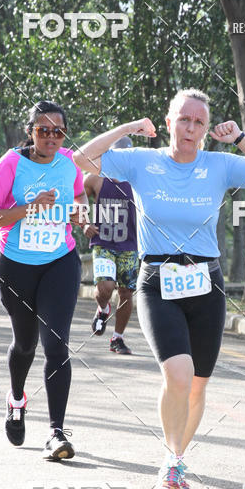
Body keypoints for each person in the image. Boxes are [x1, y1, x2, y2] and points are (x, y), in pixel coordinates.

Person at [73, 89, 245, 489]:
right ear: (168, 122)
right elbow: (80, 159)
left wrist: (240, 138)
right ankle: (171, 463)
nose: (190, 129)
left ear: (207, 130)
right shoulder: (141, 162)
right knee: (177, 373)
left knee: (197, 384)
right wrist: (129, 129)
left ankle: (177, 457)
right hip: (157, 280)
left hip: (206, 282)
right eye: (183, 119)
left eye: (199, 123)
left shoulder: (219, 166)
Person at [0, 100, 86, 461]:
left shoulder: (69, 161)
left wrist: (82, 216)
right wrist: (31, 208)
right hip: (16, 267)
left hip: (60, 260)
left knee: (56, 343)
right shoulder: (10, 164)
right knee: (25, 345)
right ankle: (16, 398)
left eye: (58, 131)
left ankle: (56, 432)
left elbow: (79, 195)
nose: (52, 137)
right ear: (30, 132)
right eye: (44, 131)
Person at [82, 136, 139, 355]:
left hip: (130, 245)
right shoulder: (96, 178)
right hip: (103, 242)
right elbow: (76, 199)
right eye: (117, 156)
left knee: (126, 292)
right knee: (105, 288)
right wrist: (84, 223)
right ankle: (103, 308)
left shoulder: (139, 181)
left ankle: (117, 338)